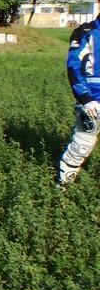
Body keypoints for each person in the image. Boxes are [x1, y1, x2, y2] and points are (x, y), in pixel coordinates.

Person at [58, 10, 100, 184]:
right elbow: (73, 67)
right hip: (91, 99)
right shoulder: (86, 32)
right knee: (82, 144)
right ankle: (63, 189)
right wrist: (85, 98)